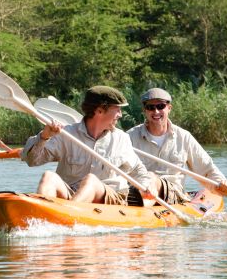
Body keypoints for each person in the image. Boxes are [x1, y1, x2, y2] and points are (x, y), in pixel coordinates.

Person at [21, 85, 154, 205]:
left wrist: (146, 187)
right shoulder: (66, 134)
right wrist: (44, 136)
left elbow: (138, 170)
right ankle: (40, 214)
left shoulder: (121, 138)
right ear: (100, 111)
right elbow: (32, 160)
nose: (120, 114)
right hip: (73, 195)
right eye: (117, 109)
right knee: (48, 177)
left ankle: (68, 214)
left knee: (91, 181)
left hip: (109, 199)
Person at [127, 88, 227, 205]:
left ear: (169, 108)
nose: (156, 111)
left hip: (173, 194)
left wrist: (221, 184)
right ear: (145, 110)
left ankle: (143, 202)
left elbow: (207, 169)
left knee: (151, 177)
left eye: (161, 106)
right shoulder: (129, 137)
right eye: (150, 107)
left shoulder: (184, 137)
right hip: (138, 191)